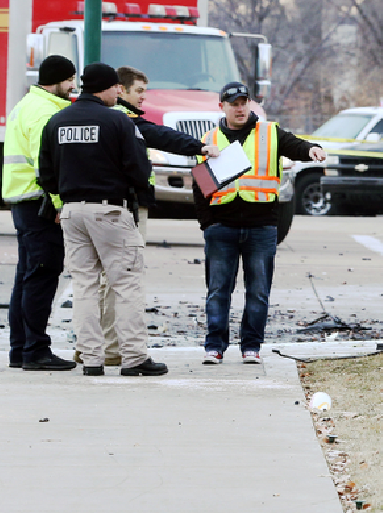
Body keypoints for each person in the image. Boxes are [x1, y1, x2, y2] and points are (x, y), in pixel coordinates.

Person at [74, 65, 221, 367]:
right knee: (121, 281)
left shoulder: (79, 118)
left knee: (93, 283)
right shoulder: (122, 119)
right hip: (121, 208)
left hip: (82, 209)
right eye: (138, 91)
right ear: (120, 89)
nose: (143, 97)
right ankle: (112, 349)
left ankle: (89, 349)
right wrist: (200, 147)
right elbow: (160, 137)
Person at [39, 62, 167, 377]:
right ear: (107, 88)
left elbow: (46, 174)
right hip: (110, 211)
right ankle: (134, 358)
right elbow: (139, 169)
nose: (118, 95)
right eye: (116, 89)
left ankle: (91, 360)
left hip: (72, 212)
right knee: (126, 284)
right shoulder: (117, 121)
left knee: (84, 285)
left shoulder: (57, 121)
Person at [195, 82, 325, 364]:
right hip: (222, 227)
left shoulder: (270, 133)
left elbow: (296, 146)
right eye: (234, 104)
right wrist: (208, 224)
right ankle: (214, 346)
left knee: (258, 292)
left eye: (244, 102)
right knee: (218, 291)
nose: (240, 108)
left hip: (261, 227)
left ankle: (251, 347)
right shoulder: (209, 138)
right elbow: (200, 185)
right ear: (222, 107)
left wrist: (313, 149)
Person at [4, 55, 77, 371]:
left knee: (27, 275)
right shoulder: (45, 112)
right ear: (58, 80)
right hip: (40, 203)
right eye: (70, 80)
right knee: (42, 275)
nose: (72, 86)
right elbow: (45, 165)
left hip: (24, 200)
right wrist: (59, 204)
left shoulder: (26, 105)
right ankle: (35, 350)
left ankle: (20, 348)